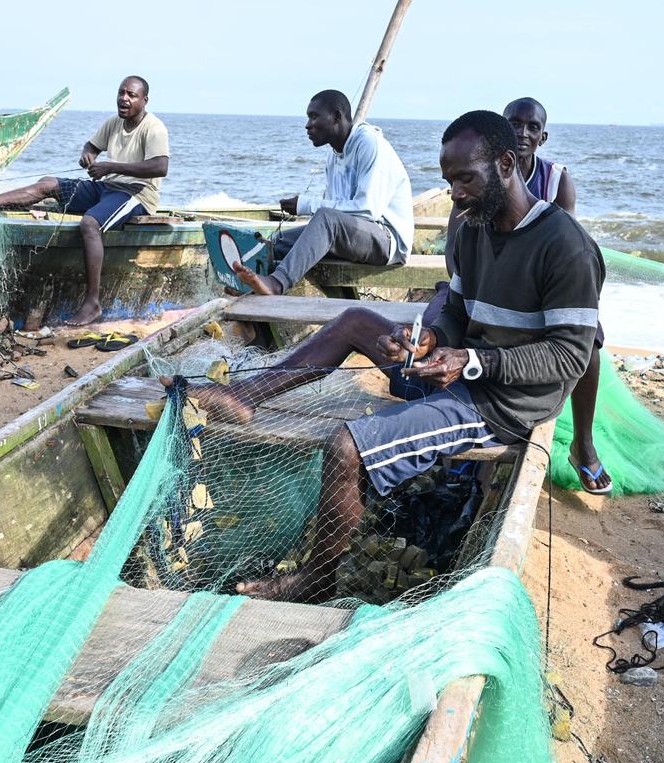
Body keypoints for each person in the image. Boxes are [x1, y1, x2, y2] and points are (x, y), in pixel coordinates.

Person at [179, 109, 605, 602]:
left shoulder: (565, 245)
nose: (455, 193)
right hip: (461, 366)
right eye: (449, 181)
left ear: (507, 164)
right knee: (355, 322)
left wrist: (470, 361)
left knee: (345, 447)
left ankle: (314, 581)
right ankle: (247, 395)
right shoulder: (470, 230)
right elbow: (457, 311)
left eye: (465, 178)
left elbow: (569, 357)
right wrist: (426, 338)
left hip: (504, 402)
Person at [422, 97, 609, 494]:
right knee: (433, 317)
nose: (524, 132)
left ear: (542, 136)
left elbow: (557, 251)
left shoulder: (555, 183)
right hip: (485, 288)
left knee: (589, 338)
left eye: (532, 126)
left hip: (539, 298)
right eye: (515, 124)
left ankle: (584, 443)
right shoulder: (475, 200)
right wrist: (438, 336)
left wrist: (475, 358)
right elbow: (458, 266)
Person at [0, 76, 168, 325]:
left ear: (144, 100)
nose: (124, 98)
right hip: (106, 187)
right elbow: (92, 145)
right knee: (48, 184)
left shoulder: (154, 127)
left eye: (131, 95)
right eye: (121, 93)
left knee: (89, 224)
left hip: (135, 194)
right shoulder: (113, 123)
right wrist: (89, 155)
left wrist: (109, 166)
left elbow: (160, 166)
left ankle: (92, 304)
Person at [231, 90, 413, 296]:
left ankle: (276, 283)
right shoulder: (333, 157)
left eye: (314, 116)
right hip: (354, 235)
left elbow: (367, 210)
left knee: (325, 219)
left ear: (336, 116)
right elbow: (337, 210)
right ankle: (247, 284)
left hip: (388, 241)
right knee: (277, 241)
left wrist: (305, 205)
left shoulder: (369, 144)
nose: (307, 125)